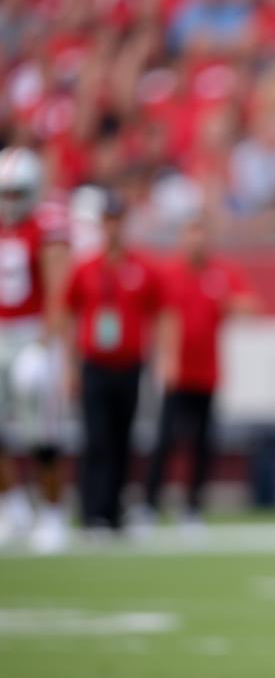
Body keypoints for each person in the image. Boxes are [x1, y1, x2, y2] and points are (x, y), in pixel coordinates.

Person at [144, 214, 257, 528]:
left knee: (202, 444)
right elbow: (160, 316)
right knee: (166, 440)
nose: (197, 240)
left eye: (202, 234)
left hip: (207, 373)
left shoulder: (221, 272)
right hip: (176, 373)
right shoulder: (170, 272)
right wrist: (165, 360)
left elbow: (250, 305)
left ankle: (192, 507)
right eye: (191, 233)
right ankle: (149, 504)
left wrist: (228, 304)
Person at [63, 190, 163, 534]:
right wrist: (69, 366)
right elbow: (68, 315)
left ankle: (115, 510)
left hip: (130, 364)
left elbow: (159, 312)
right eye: (108, 220)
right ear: (102, 224)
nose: (114, 227)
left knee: (123, 439)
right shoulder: (86, 268)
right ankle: (93, 511)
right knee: (96, 438)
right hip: (95, 364)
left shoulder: (141, 267)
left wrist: (160, 356)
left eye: (119, 219)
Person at [0, 147, 71, 553]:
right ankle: (12, 507)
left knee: (41, 432)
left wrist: (45, 342)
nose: (10, 201)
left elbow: (58, 290)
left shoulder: (45, 227)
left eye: (17, 192)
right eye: (5, 192)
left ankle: (52, 513)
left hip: (30, 334)